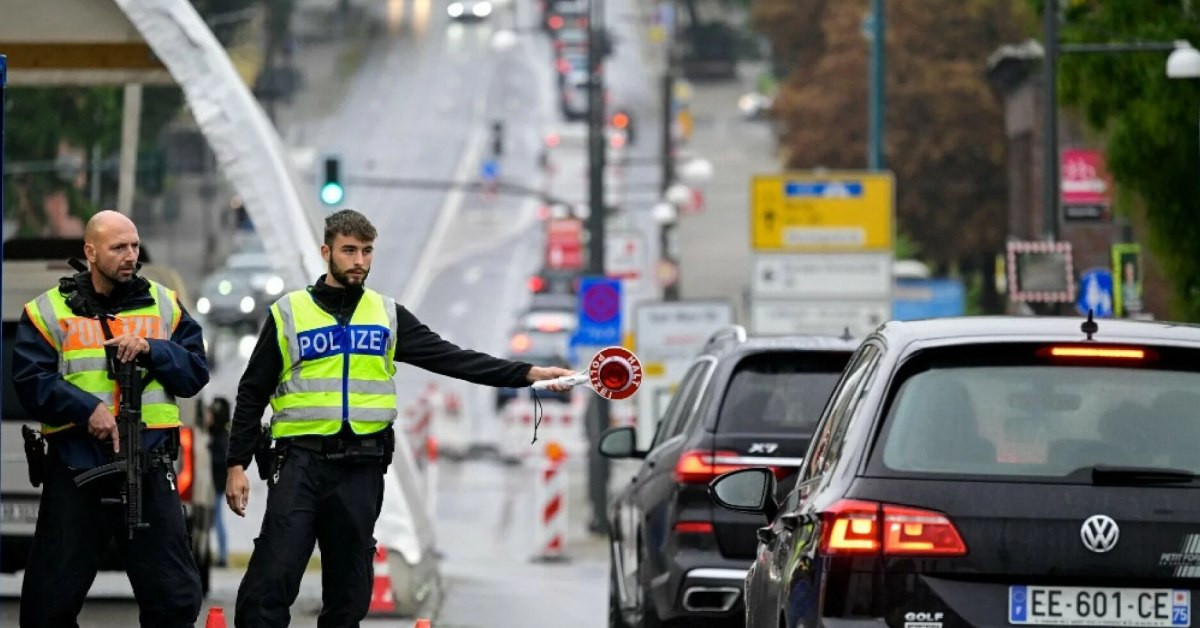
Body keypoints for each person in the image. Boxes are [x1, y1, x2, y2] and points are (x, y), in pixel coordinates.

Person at [226, 209, 575, 627]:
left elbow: (453, 358)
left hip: (360, 468)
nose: (358, 260)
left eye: (366, 251)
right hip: (299, 463)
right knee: (270, 583)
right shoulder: (289, 313)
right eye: (349, 250)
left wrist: (528, 374)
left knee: (350, 593)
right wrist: (236, 464)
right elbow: (251, 391)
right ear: (326, 252)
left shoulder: (386, 315)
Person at [12, 210, 210, 627]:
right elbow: (30, 381)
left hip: (149, 469)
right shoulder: (49, 310)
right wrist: (86, 409)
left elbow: (195, 373)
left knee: (175, 601)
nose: (130, 256)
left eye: (134, 246)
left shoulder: (164, 304)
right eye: (119, 247)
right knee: (47, 606)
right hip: (76, 467)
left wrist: (153, 349)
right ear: (90, 252)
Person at [207, 397, 232, 567]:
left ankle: (222, 556)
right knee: (215, 519)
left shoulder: (221, 436)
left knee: (216, 519)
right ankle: (220, 554)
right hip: (215, 483)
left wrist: (207, 452)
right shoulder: (218, 434)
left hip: (215, 484)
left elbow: (221, 460)